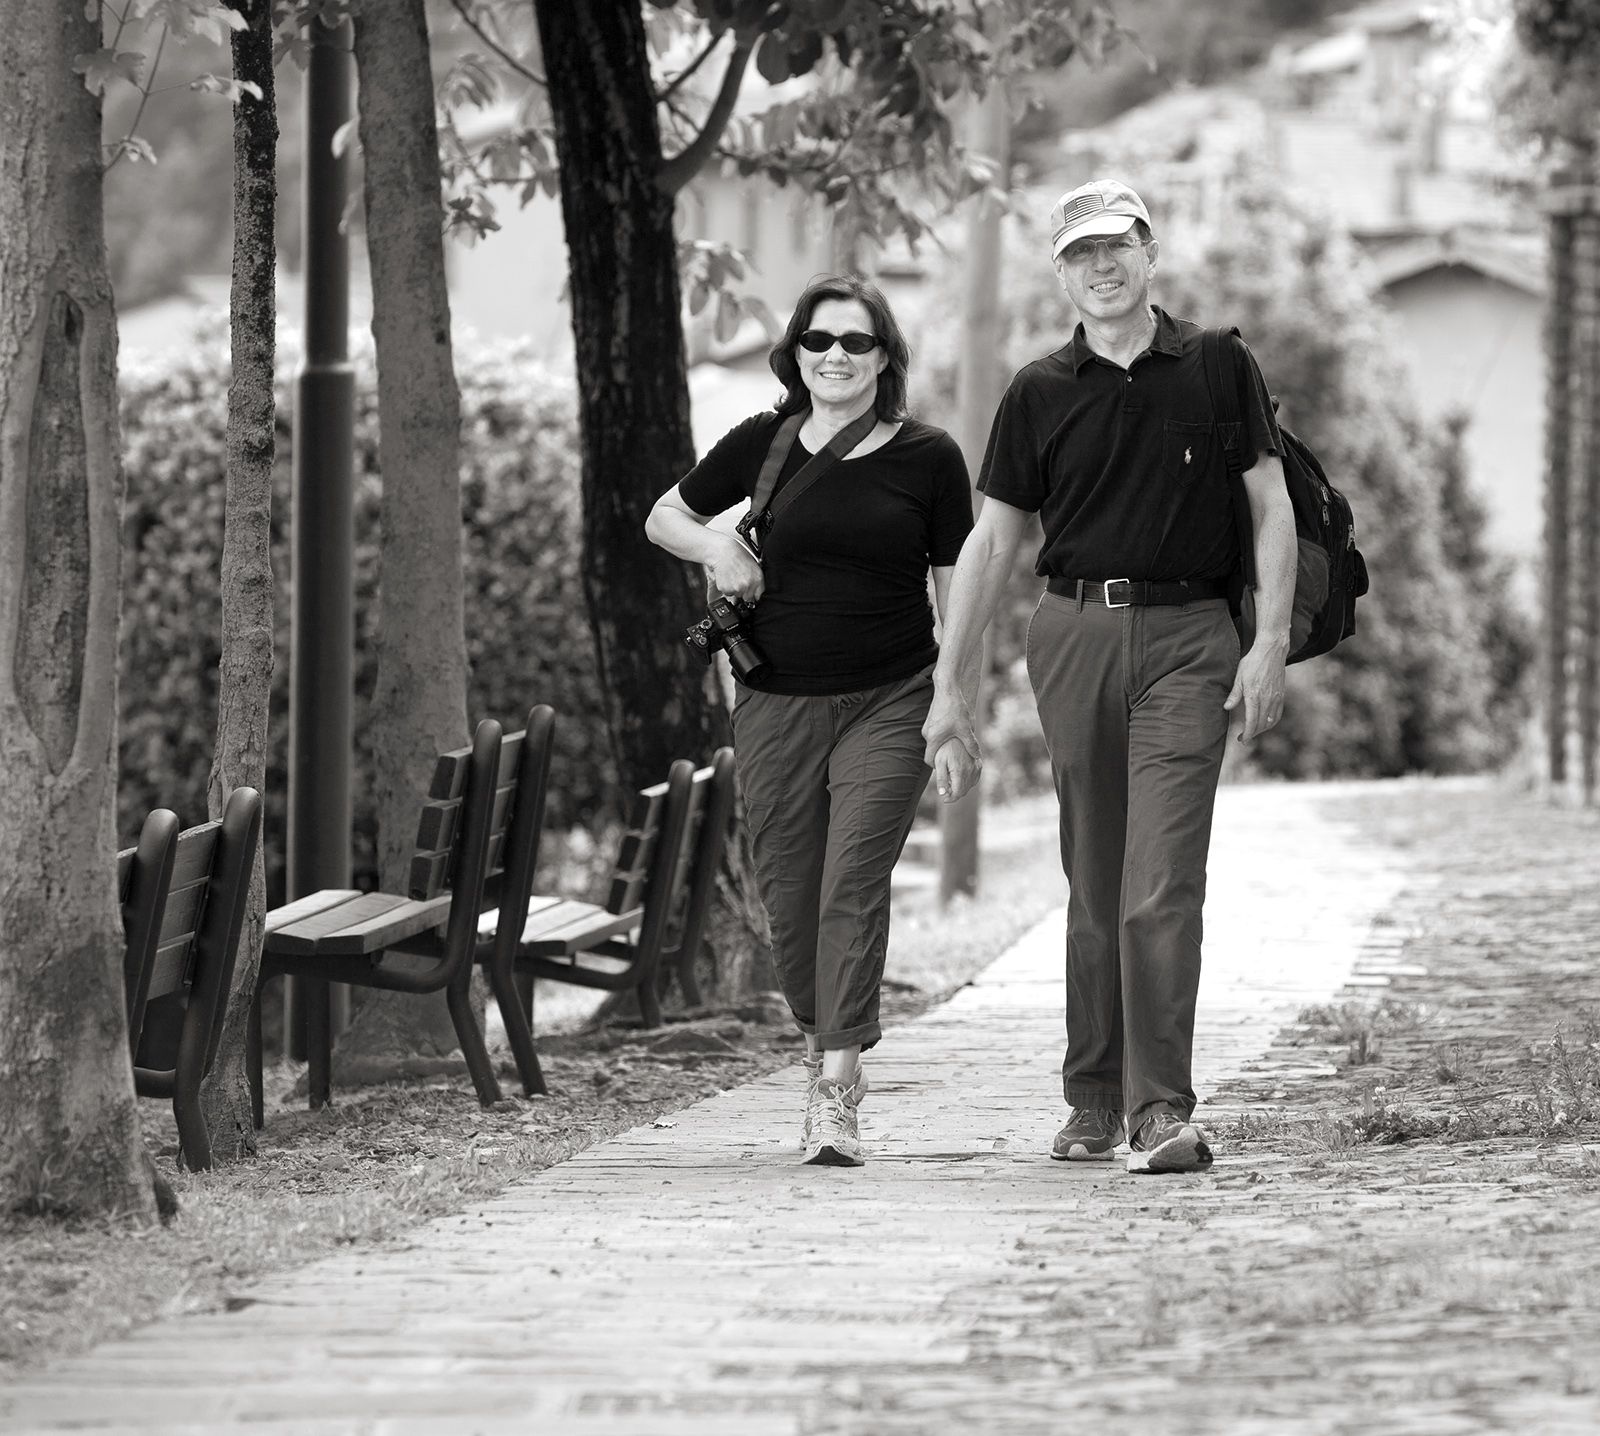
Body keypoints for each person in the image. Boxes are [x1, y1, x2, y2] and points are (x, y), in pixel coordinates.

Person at [923, 179, 1297, 1175]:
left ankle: (1159, 1109)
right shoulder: (1038, 391)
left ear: (1148, 251)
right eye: (1080, 252)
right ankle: (1091, 1095)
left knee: (1160, 882)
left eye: (1116, 245)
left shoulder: (1217, 364)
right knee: (1093, 882)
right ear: (1061, 272)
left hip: (1190, 637)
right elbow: (992, 541)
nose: (1101, 266)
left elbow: (1271, 505)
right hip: (1074, 634)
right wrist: (950, 688)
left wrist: (1266, 643)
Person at [646, 276, 973, 1167]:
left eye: (857, 341)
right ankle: (825, 1033)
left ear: (885, 357)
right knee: (790, 897)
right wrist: (718, 544)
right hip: (776, 700)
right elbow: (663, 517)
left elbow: (958, 589)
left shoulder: (930, 457)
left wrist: (955, 704)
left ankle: (836, 1087)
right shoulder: (764, 443)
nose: (836, 355)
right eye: (819, 339)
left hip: (892, 696)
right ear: (795, 351)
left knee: (851, 883)